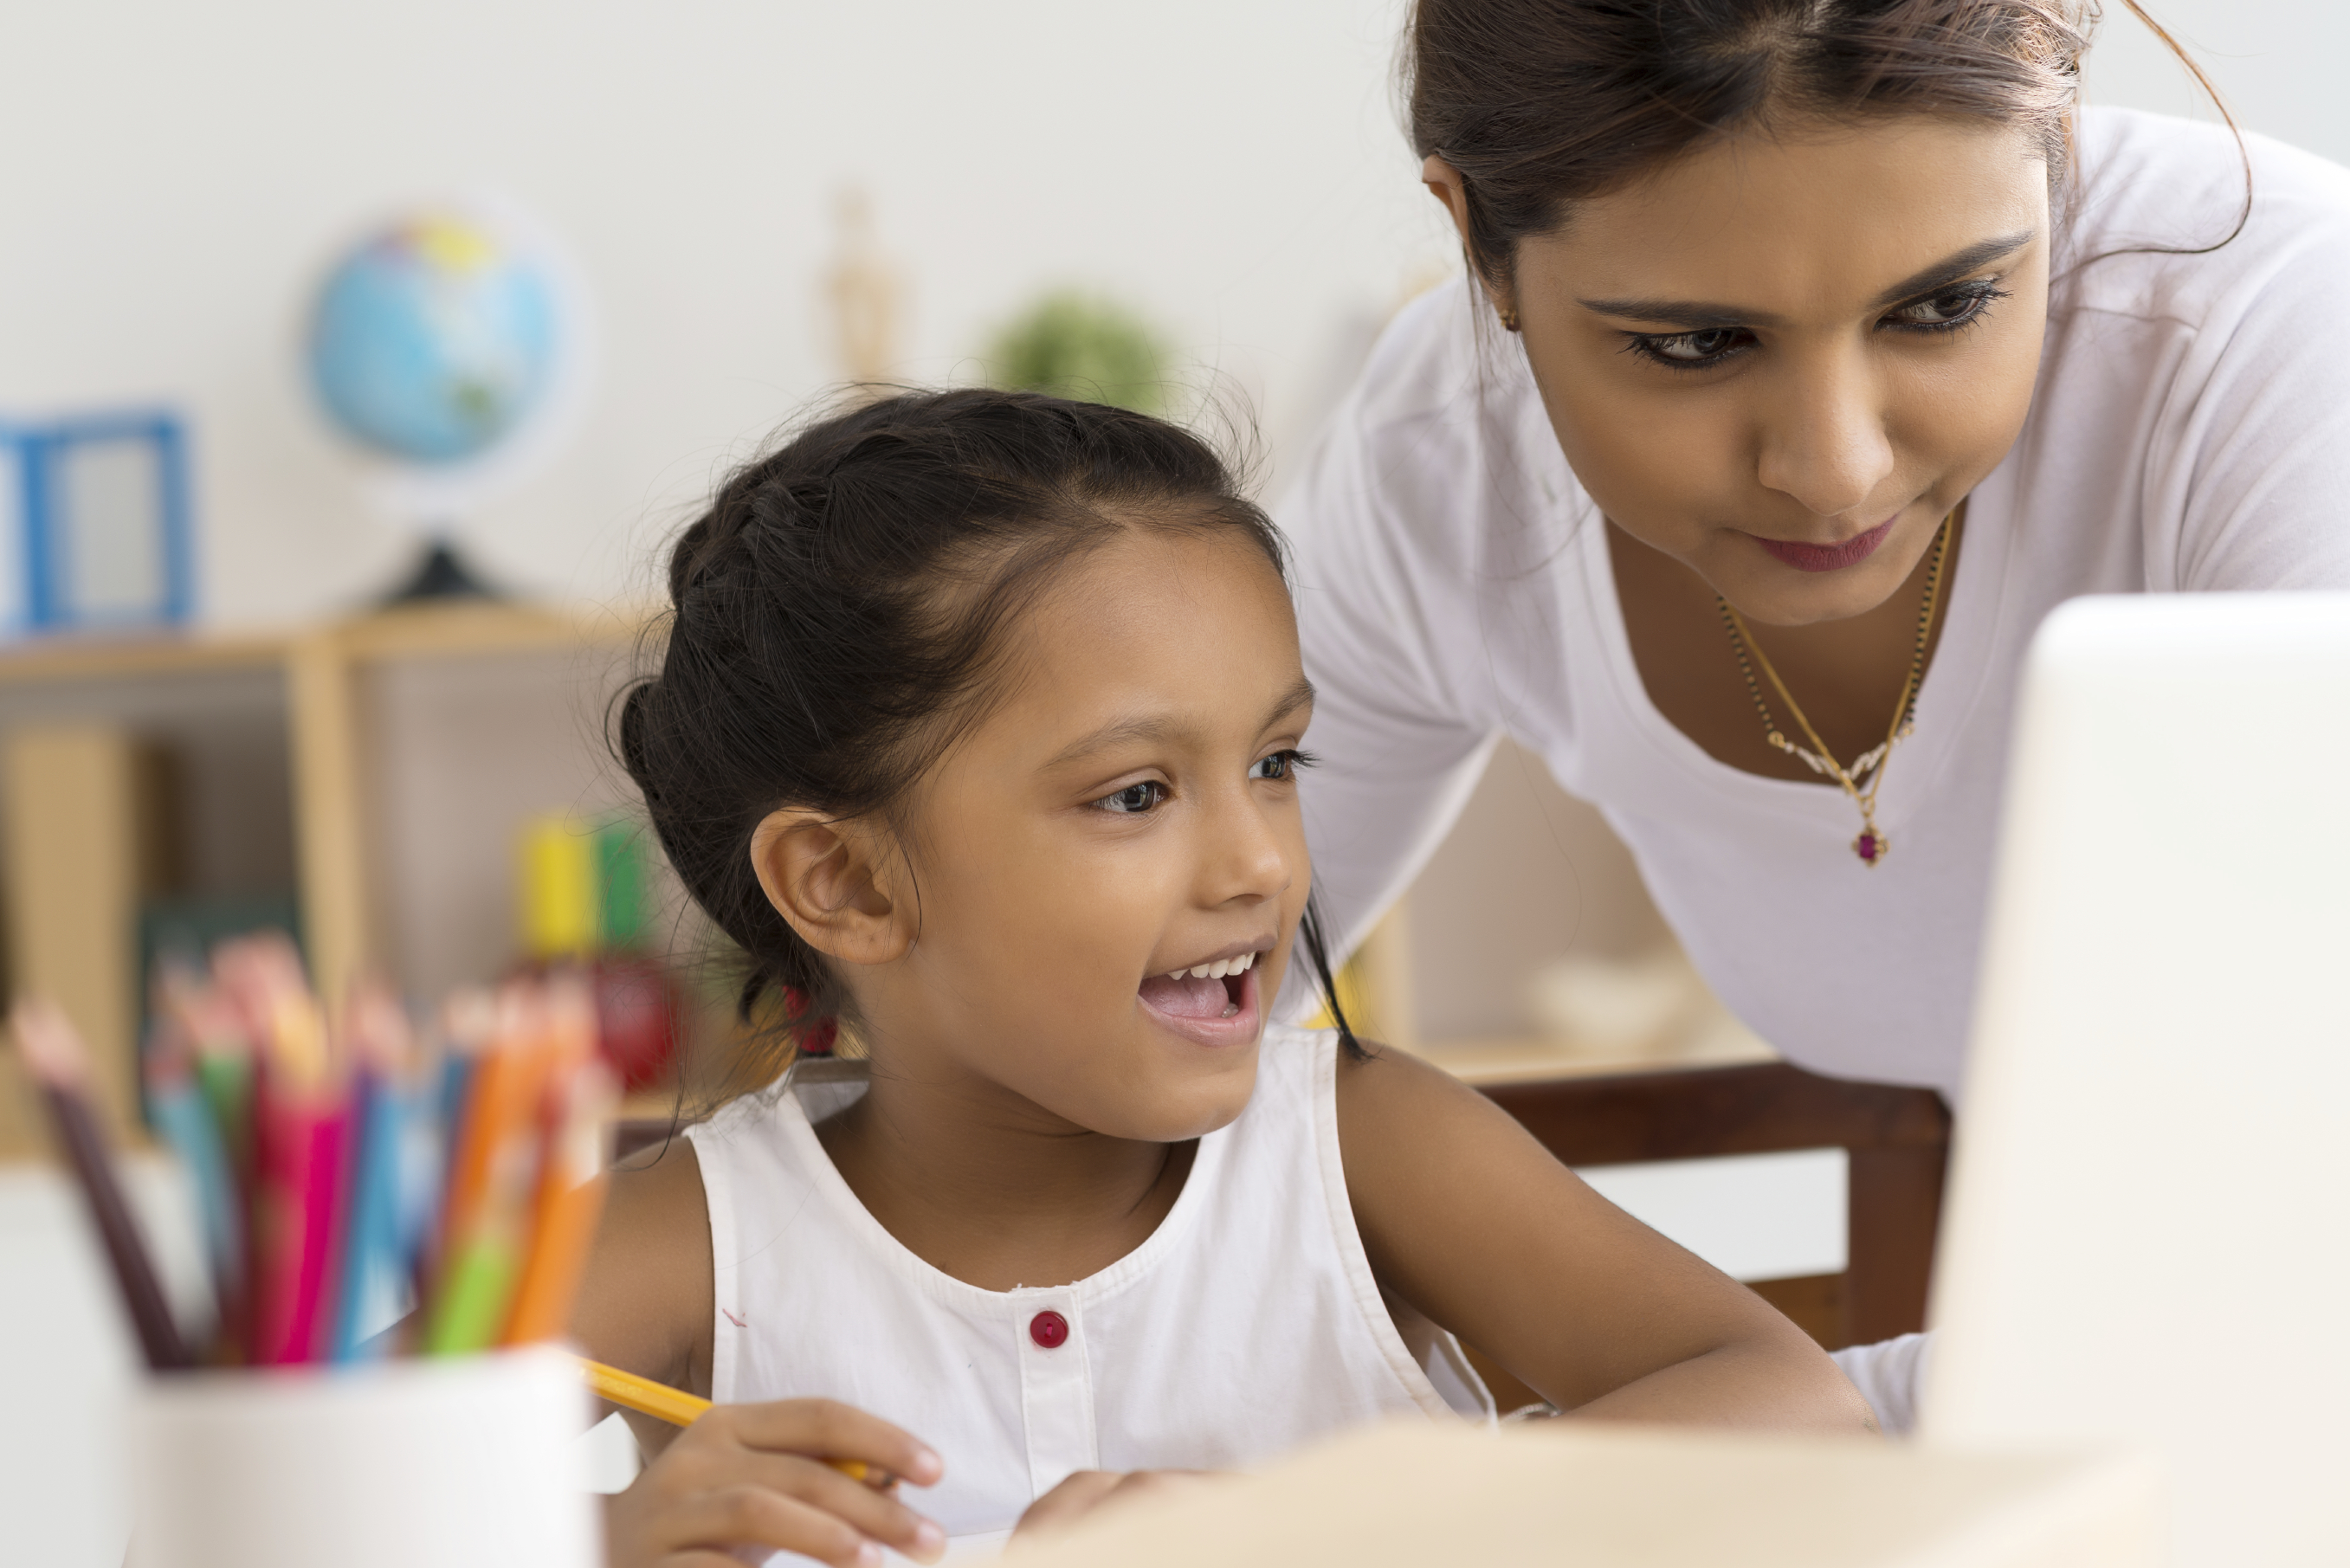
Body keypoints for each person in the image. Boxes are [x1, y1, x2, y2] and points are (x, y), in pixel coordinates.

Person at [1277, 0, 2350, 1433]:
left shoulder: (2276, 343)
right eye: (1695, 343)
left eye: (1944, 307)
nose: (1834, 472)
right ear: (1480, 246)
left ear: (2060, 155)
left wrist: (1593, 1470)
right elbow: (1101, 1031)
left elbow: (2289, 1291)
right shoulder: (1439, 471)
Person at [575, 390, 1870, 1567]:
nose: (1260, 861)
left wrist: (1315, 1529)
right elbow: (429, 1496)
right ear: (848, 884)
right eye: (1136, 794)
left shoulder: (1361, 1146)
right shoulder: (688, 1238)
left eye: (1275, 764)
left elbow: (1800, 1408)